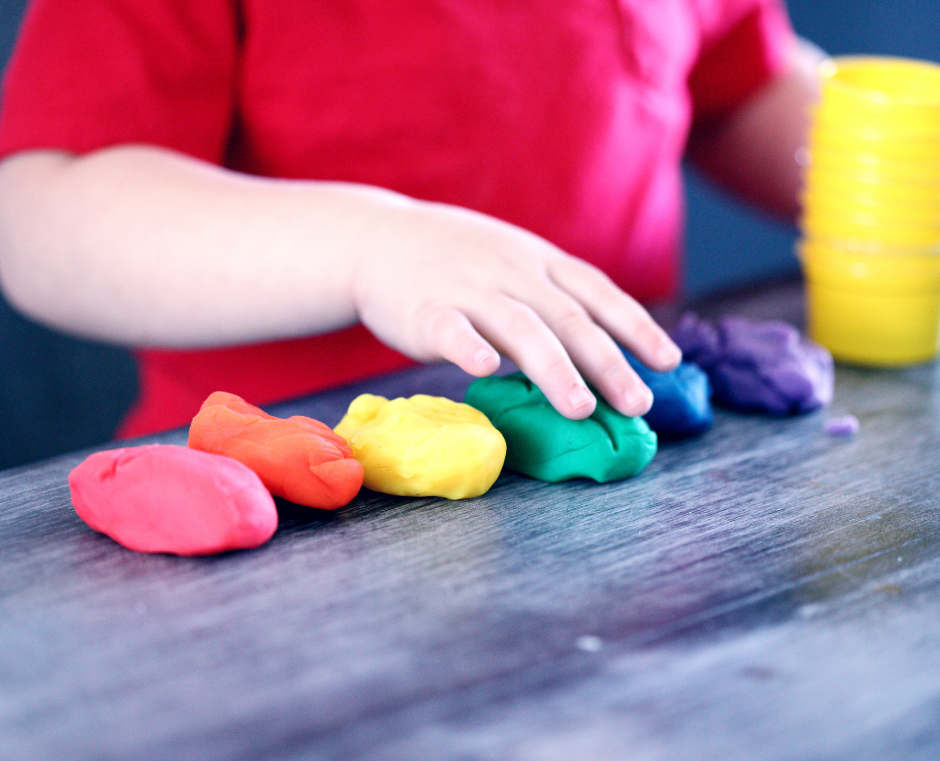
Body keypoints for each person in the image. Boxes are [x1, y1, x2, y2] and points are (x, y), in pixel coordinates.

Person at [0, 0, 822, 438]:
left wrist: (878, 162)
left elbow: (737, 88)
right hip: (286, 508)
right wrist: (369, 249)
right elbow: (45, 212)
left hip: (620, 458)